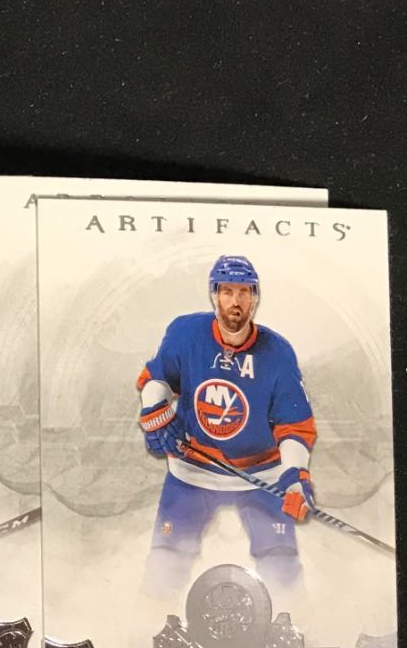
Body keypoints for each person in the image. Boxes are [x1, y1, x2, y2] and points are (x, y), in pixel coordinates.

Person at [135, 255, 317, 597]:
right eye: (228, 291)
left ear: (255, 297)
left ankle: (298, 624)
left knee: (282, 568)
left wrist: (295, 475)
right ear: (213, 294)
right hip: (191, 471)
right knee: (165, 562)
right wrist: (154, 410)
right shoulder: (185, 333)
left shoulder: (278, 352)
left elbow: (294, 424)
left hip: (262, 475)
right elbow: (157, 378)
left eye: (245, 292)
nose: (236, 300)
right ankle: (146, 623)